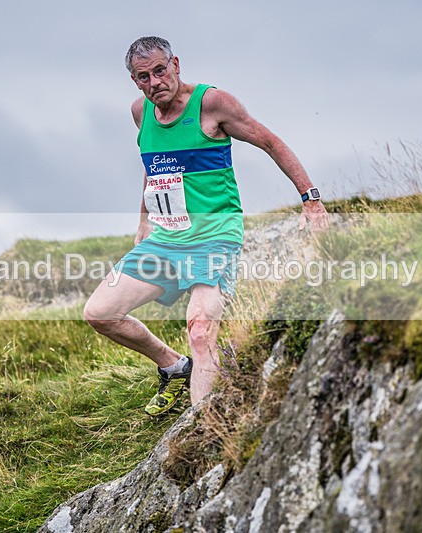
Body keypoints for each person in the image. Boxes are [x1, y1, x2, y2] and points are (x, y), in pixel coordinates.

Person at [83, 36, 328, 416]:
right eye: (143, 77)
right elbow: (155, 168)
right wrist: (144, 222)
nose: (154, 83)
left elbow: (271, 142)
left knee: (200, 331)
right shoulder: (140, 112)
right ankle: (174, 367)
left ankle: (200, 431)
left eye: (160, 71)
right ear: (135, 81)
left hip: (214, 237)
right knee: (100, 313)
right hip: (166, 239)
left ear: (176, 64)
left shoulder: (212, 104)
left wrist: (310, 199)